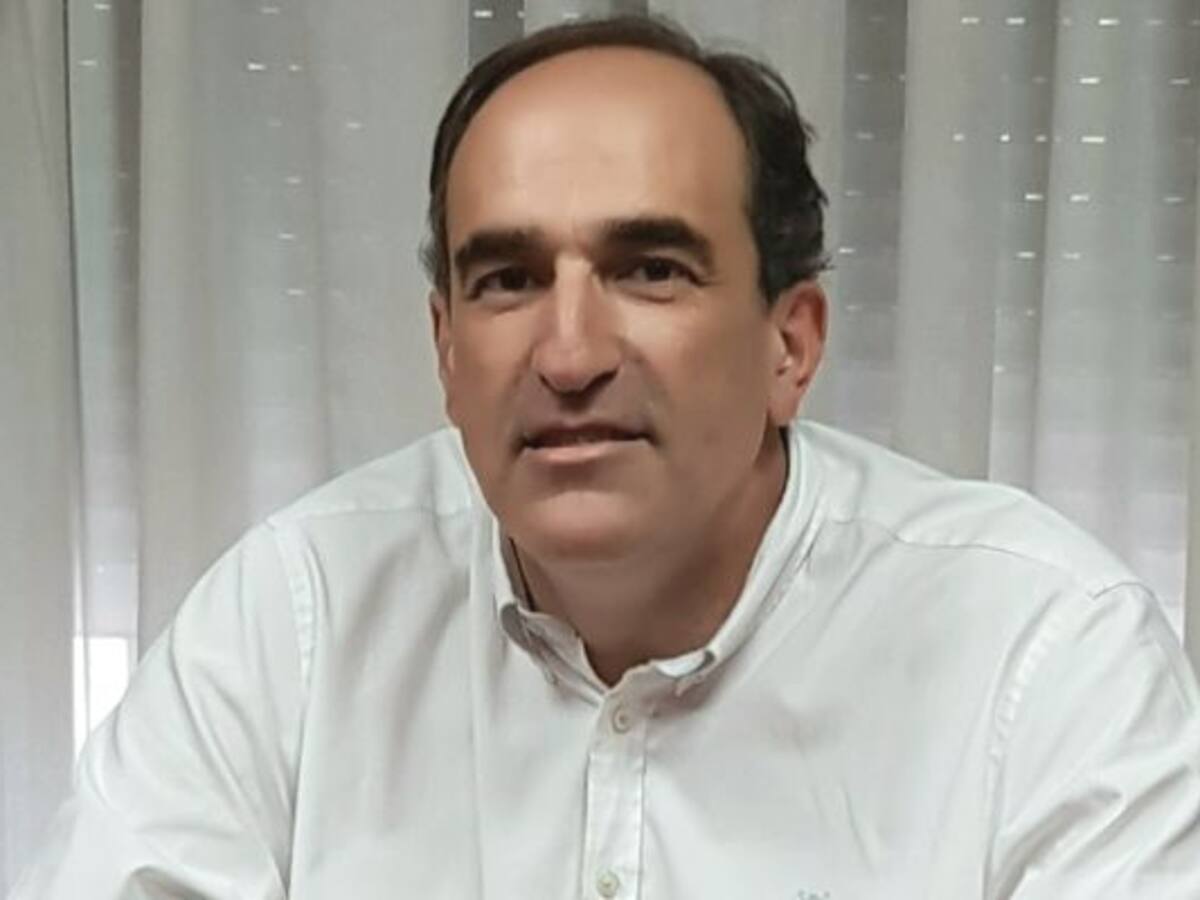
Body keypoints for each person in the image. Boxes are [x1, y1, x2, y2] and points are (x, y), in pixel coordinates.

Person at [12, 14, 1200, 900]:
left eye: (651, 270)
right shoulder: (292, 619)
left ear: (790, 344)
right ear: (446, 349)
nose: (570, 354)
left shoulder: (1047, 654)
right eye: (507, 279)